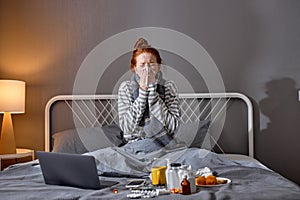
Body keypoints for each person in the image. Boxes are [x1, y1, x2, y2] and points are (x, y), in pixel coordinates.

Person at [118, 38, 181, 153]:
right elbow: (127, 128)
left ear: (158, 66)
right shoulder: (126, 88)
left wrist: (153, 92)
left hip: (165, 145)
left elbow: (173, 128)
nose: (147, 69)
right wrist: (142, 92)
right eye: (142, 65)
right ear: (135, 68)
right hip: (135, 146)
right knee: (99, 158)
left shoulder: (168, 86)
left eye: (151, 64)